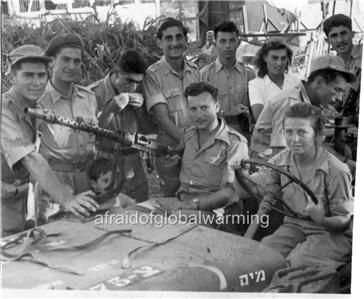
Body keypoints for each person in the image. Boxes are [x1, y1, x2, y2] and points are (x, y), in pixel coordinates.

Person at [236, 103, 352, 269]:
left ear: (318, 135)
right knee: (261, 257)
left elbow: (343, 222)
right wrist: (239, 173)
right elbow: (245, 191)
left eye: (302, 132)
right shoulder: (281, 160)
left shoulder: (337, 170)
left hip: (329, 233)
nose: (294, 139)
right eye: (289, 132)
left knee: (297, 264)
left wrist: (322, 219)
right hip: (294, 225)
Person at [0, 45, 98, 236]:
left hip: (18, 193)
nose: (36, 82)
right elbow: (30, 158)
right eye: (28, 75)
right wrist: (67, 198)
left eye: (41, 75)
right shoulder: (4, 110)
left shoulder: (33, 106)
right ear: (12, 77)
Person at [154, 81, 248, 222]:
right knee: (135, 211)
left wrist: (194, 205)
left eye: (204, 108)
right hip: (182, 202)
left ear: (216, 107)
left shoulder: (234, 143)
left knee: (174, 220)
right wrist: (166, 161)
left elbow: (230, 193)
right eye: (193, 109)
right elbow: (174, 175)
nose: (199, 115)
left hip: (214, 211)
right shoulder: (189, 135)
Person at [36, 33, 100, 220]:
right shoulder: (38, 101)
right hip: (55, 181)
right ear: (51, 63)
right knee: (55, 239)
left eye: (76, 61)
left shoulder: (88, 98)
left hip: (87, 179)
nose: (72, 66)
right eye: (65, 59)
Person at [251, 55, 355, 160]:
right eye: (337, 90)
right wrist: (342, 161)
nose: (340, 98)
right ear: (319, 82)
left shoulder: (312, 104)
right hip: (268, 166)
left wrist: (335, 152)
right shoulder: (290, 103)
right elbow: (284, 153)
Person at [142, 18, 200, 196]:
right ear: (160, 42)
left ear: (185, 40)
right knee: (173, 201)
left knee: (199, 196)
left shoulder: (195, 70)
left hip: (198, 148)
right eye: (168, 38)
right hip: (170, 153)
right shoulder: (152, 75)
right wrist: (190, 144)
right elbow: (163, 119)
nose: (175, 43)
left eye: (179, 37)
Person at [88, 50, 149, 202]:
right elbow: (87, 137)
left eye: (137, 83)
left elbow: (150, 129)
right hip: (104, 169)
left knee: (140, 215)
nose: (133, 87)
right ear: (116, 72)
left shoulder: (142, 92)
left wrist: (141, 110)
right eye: (128, 81)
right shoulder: (92, 94)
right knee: (105, 217)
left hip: (133, 167)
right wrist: (109, 112)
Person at [201, 20, 256, 140]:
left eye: (232, 40)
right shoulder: (204, 76)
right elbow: (200, 113)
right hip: (214, 140)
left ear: (238, 42)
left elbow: (256, 112)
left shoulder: (249, 75)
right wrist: (227, 113)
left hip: (244, 139)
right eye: (222, 41)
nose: (228, 46)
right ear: (215, 43)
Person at [249, 39, 300, 123]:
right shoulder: (255, 85)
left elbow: (306, 112)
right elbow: (260, 119)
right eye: (274, 58)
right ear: (265, 58)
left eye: (283, 58)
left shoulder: (295, 81)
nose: (279, 63)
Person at [323, 13, 362, 121]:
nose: (340, 40)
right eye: (334, 36)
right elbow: (337, 106)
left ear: (353, 34)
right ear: (328, 41)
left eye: (343, 33)